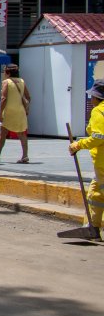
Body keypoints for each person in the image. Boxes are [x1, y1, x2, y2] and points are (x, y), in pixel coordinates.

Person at [69, 80, 104, 234]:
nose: (91, 99)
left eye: (92, 97)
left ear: (97, 97)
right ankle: (93, 228)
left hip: (102, 163)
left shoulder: (98, 111)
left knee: (96, 193)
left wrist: (78, 145)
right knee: (95, 194)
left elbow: (98, 137)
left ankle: (93, 228)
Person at [0, 64, 30, 163]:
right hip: (20, 111)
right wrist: (26, 108)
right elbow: (28, 97)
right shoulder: (22, 81)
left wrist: (0, 112)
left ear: (7, 73)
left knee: (2, 134)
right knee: (22, 134)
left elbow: (3, 98)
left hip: (9, 111)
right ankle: (25, 156)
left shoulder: (6, 82)